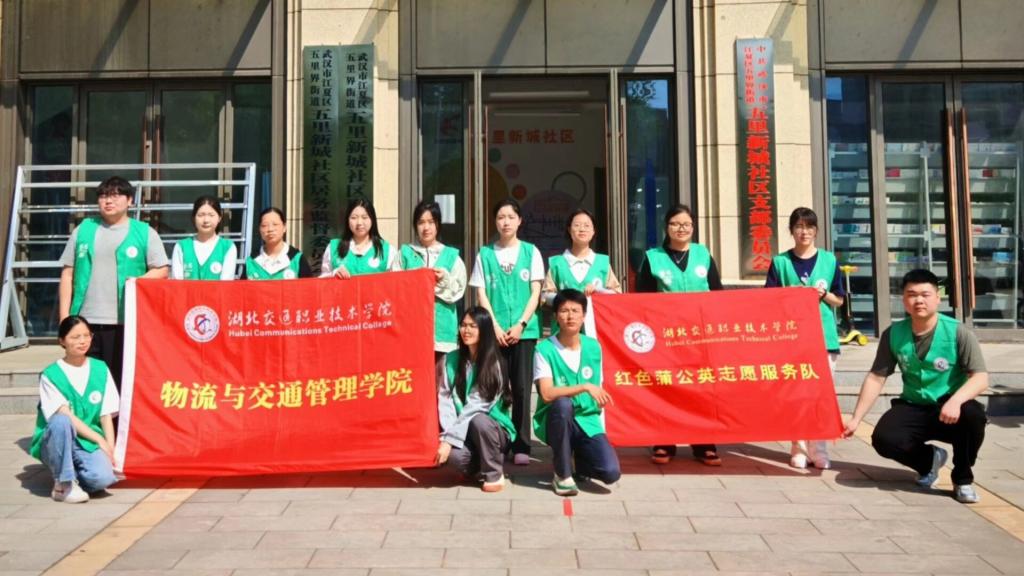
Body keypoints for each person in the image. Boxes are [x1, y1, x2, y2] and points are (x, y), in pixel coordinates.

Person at [843, 269, 988, 503]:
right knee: (884, 438)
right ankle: (928, 461)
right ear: (904, 300)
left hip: (950, 407)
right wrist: (856, 419)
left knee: (973, 416)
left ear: (938, 298)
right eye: (912, 295)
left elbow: (980, 378)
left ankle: (962, 479)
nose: (919, 300)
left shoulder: (959, 332)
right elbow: (876, 377)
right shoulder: (893, 334)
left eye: (925, 294)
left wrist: (956, 401)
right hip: (914, 404)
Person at [58, 175, 169, 390]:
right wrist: (64, 318)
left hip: (124, 322)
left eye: (116, 196)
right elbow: (67, 274)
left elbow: (162, 269)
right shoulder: (83, 230)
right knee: (85, 382)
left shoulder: (144, 232)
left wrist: (138, 281)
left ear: (130, 201)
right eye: (103, 196)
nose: (108, 201)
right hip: (84, 322)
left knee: (120, 383)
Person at [635, 204, 723, 467]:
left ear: (693, 227)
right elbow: (641, 300)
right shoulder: (653, 257)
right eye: (675, 224)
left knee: (701, 389)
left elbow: (718, 294)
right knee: (666, 388)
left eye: (686, 224)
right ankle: (665, 441)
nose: (681, 228)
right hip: (665, 338)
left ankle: (704, 443)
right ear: (667, 227)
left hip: (699, 337)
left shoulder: (703, 254)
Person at [764, 207, 845, 469]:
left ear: (816, 230)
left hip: (824, 337)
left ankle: (818, 449)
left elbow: (839, 300)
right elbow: (768, 300)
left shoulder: (829, 261)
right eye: (799, 227)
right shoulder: (780, 262)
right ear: (791, 231)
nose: (804, 232)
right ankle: (798, 446)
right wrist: (790, 294)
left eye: (809, 227)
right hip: (792, 337)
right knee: (796, 394)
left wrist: (822, 294)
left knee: (820, 395)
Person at [469, 198, 544, 466]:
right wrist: (496, 327)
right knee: (495, 386)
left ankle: (522, 444)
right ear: (495, 221)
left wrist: (521, 324)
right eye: (501, 217)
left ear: (520, 220)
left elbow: (536, 292)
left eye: (511, 217)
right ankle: (498, 440)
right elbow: (481, 294)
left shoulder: (531, 252)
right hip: (495, 332)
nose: (506, 222)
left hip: (524, 332)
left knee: (522, 388)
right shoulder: (485, 254)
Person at [533, 289, 621, 496]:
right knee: (563, 404)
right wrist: (583, 387)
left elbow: (598, 390)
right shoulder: (544, 349)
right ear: (555, 316)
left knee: (611, 472)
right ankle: (562, 474)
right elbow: (546, 393)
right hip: (556, 418)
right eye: (564, 311)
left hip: (586, 420)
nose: (570, 316)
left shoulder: (593, 347)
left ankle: (580, 460)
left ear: (584, 316)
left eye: (575, 311)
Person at [29, 316, 119, 503]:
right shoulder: (51, 374)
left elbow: (105, 415)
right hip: (57, 439)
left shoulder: (100, 368)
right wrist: (99, 439)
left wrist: (109, 448)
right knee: (61, 421)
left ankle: (70, 472)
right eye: (75, 337)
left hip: (86, 442)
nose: (83, 341)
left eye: (87, 335)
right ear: (62, 341)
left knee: (103, 479)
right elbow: (65, 415)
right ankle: (63, 485)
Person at [436, 307, 515, 492]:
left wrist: (449, 440)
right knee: (455, 459)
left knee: (479, 420)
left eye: (473, 326)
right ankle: (482, 462)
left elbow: (476, 406)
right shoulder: (451, 359)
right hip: (463, 429)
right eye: (463, 325)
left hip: (492, 429)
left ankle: (494, 473)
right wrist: (447, 436)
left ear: (484, 330)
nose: (466, 330)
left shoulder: (493, 362)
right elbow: (445, 400)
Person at [393, 199, 467, 371]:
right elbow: (395, 289)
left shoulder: (451, 256)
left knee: (441, 381)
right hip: (411, 331)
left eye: (431, 222)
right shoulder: (404, 254)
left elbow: (458, 291)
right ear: (415, 225)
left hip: (443, 332)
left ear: (438, 225)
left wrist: (443, 281)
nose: (426, 228)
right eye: (421, 222)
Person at [542, 208, 621, 336]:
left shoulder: (602, 263)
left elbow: (617, 295)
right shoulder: (557, 263)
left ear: (593, 231)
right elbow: (545, 296)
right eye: (577, 225)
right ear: (569, 230)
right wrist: (564, 299)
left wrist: (599, 290)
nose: (582, 229)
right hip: (563, 333)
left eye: (587, 226)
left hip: (596, 331)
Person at [321, 197, 395, 278]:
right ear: (347, 220)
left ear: (372, 220)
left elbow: (396, 281)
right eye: (354, 218)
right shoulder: (333, 248)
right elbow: (322, 280)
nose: (359, 222)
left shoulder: (387, 250)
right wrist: (334, 273)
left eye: (364, 217)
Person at [170, 195, 237, 280]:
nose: (206, 220)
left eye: (211, 215)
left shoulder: (228, 247)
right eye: (201, 215)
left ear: (219, 218)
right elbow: (177, 283)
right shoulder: (181, 246)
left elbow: (226, 283)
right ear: (194, 218)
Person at [242, 207, 313, 280]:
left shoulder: (297, 259)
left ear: (284, 227)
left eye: (275, 224)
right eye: (264, 225)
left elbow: (309, 286)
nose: (270, 229)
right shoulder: (251, 262)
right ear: (259, 229)